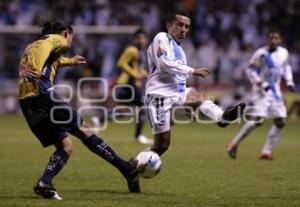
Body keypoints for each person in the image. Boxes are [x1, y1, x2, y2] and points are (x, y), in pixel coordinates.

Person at [18, 21, 147, 200]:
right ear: (67, 32)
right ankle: (126, 168)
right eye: (72, 36)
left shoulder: (32, 45)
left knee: (66, 146)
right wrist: (38, 70)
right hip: (44, 95)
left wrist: (70, 61)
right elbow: (47, 51)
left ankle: (44, 182)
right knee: (84, 129)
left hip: (27, 103)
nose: (69, 42)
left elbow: (51, 60)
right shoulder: (57, 39)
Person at [143, 11, 245, 158]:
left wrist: (187, 104)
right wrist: (193, 71)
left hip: (177, 93)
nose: (183, 29)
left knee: (201, 97)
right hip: (158, 97)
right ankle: (133, 166)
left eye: (186, 26)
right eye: (179, 25)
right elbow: (164, 64)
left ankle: (222, 117)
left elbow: (177, 79)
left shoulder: (180, 51)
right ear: (168, 25)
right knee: (161, 146)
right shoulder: (161, 38)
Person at [227, 29, 296, 160]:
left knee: (280, 121)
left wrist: (289, 81)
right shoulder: (260, 53)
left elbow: (286, 67)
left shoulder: (283, 53)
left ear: (280, 40)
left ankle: (266, 151)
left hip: (275, 91)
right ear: (267, 40)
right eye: (271, 38)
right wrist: (260, 83)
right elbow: (250, 70)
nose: (273, 40)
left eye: (276, 38)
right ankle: (233, 144)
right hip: (261, 91)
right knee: (259, 120)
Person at [111, 28, 152, 144]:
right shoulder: (131, 50)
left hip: (132, 84)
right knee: (142, 107)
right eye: (140, 38)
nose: (142, 41)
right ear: (135, 39)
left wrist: (147, 75)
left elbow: (137, 69)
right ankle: (138, 136)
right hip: (128, 84)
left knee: (123, 112)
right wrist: (135, 74)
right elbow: (120, 63)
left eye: (144, 38)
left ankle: (99, 119)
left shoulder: (139, 51)